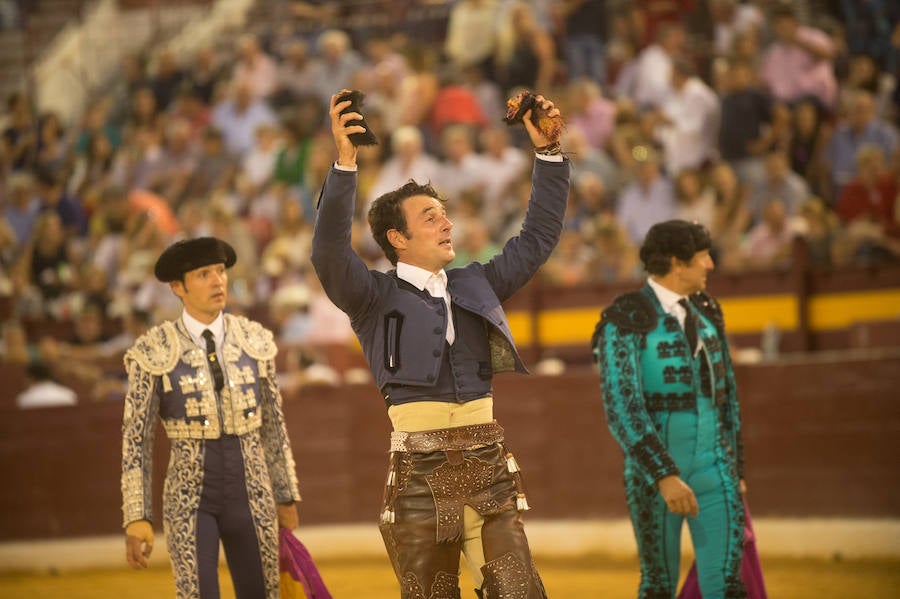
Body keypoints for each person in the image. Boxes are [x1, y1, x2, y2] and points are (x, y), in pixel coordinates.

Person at [311, 92, 570, 598]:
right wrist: (345, 164)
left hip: (488, 468)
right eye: (430, 216)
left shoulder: (477, 283)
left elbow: (537, 238)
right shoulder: (371, 297)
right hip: (418, 477)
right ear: (397, 238)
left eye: (444, 213)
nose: (447, 222)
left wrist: (549, 156)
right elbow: (328, 251)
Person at [120, 237, 301, 599]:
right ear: (178, 287)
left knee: (262, 594)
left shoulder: (255, 341)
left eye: (220, 271)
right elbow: (136, 440)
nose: (218, 281)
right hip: (189, 498)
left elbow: (273, 427)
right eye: (204, 274)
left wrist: (285, 494)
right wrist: (137, 515)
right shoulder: (153, 352)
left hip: (252, 492)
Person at [591, 220, 746, 598]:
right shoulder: (625, 318)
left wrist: (736, 468)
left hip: (715, 470)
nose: (710, 265)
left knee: (725, 584)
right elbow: (621, 406)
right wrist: (663, 476)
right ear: (678, 263)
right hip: (652, 480)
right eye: (703, 257)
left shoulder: (709, 310)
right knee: (659, 585)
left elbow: (728, 398)